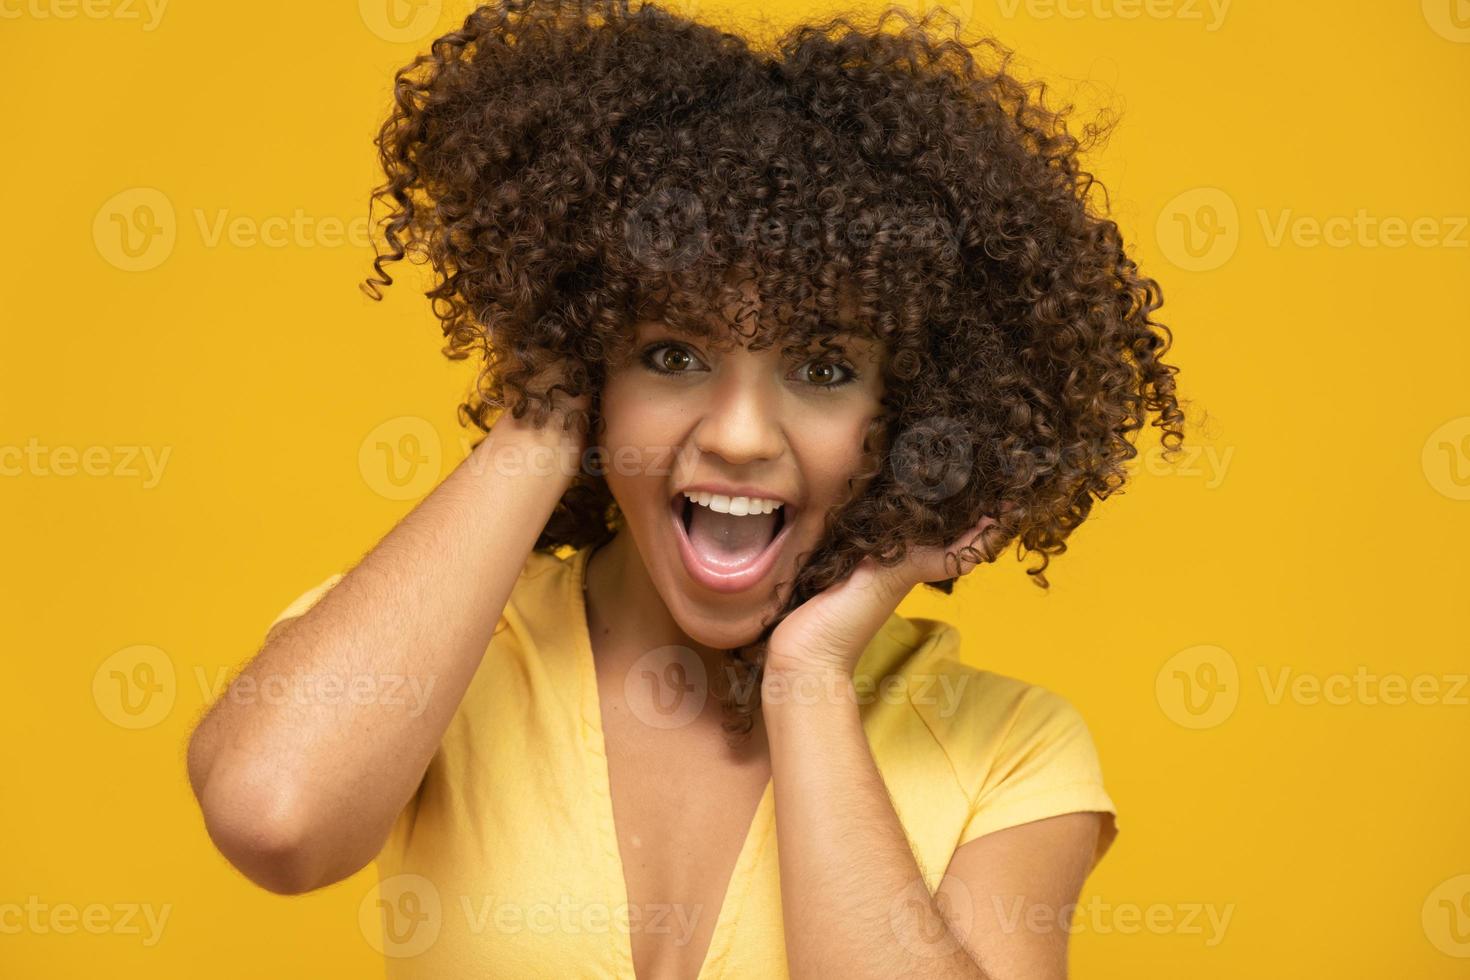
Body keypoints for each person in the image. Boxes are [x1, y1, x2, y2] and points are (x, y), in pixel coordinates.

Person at [186, 2, 1185, 977]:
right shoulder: (446, 647)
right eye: (672, 352)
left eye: (825, 369)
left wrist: (809, 674)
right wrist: (546, 403)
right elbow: (275, 818)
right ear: (589, 369)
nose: (742, 434)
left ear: (916, 412)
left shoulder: (1008, 747)